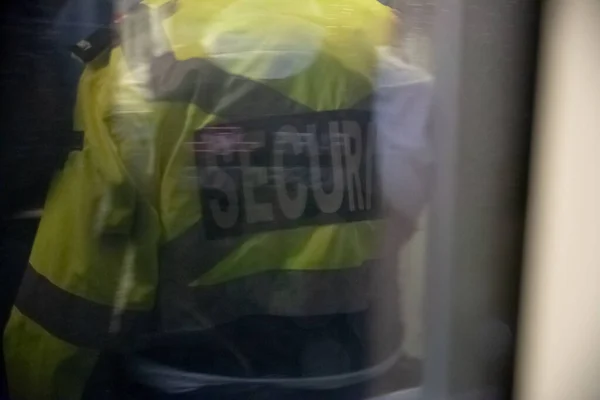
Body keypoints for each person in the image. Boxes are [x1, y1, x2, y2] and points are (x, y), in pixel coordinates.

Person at [3, 0, 433, 399]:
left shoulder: (136, 62)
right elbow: (409, 189)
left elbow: (82, 276)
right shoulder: (370, 30)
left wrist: (35, 380)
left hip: (187, 374)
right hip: (359, 365)